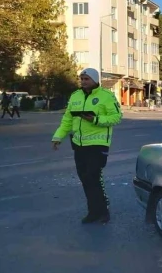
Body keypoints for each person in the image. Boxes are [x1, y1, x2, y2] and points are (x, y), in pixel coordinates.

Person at [52, 68, 123, 223]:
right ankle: (93, 212)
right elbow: (67, 120)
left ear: (95, 80)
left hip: (98, 144)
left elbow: (117, 117)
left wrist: (96, 119)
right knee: (85, 178)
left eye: (87, 79)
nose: (83, 82)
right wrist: (58, 136)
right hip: (79, 144)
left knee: (94, 176)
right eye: (82, 79)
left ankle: (103, 211)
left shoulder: (106, 96)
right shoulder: (75, 96)